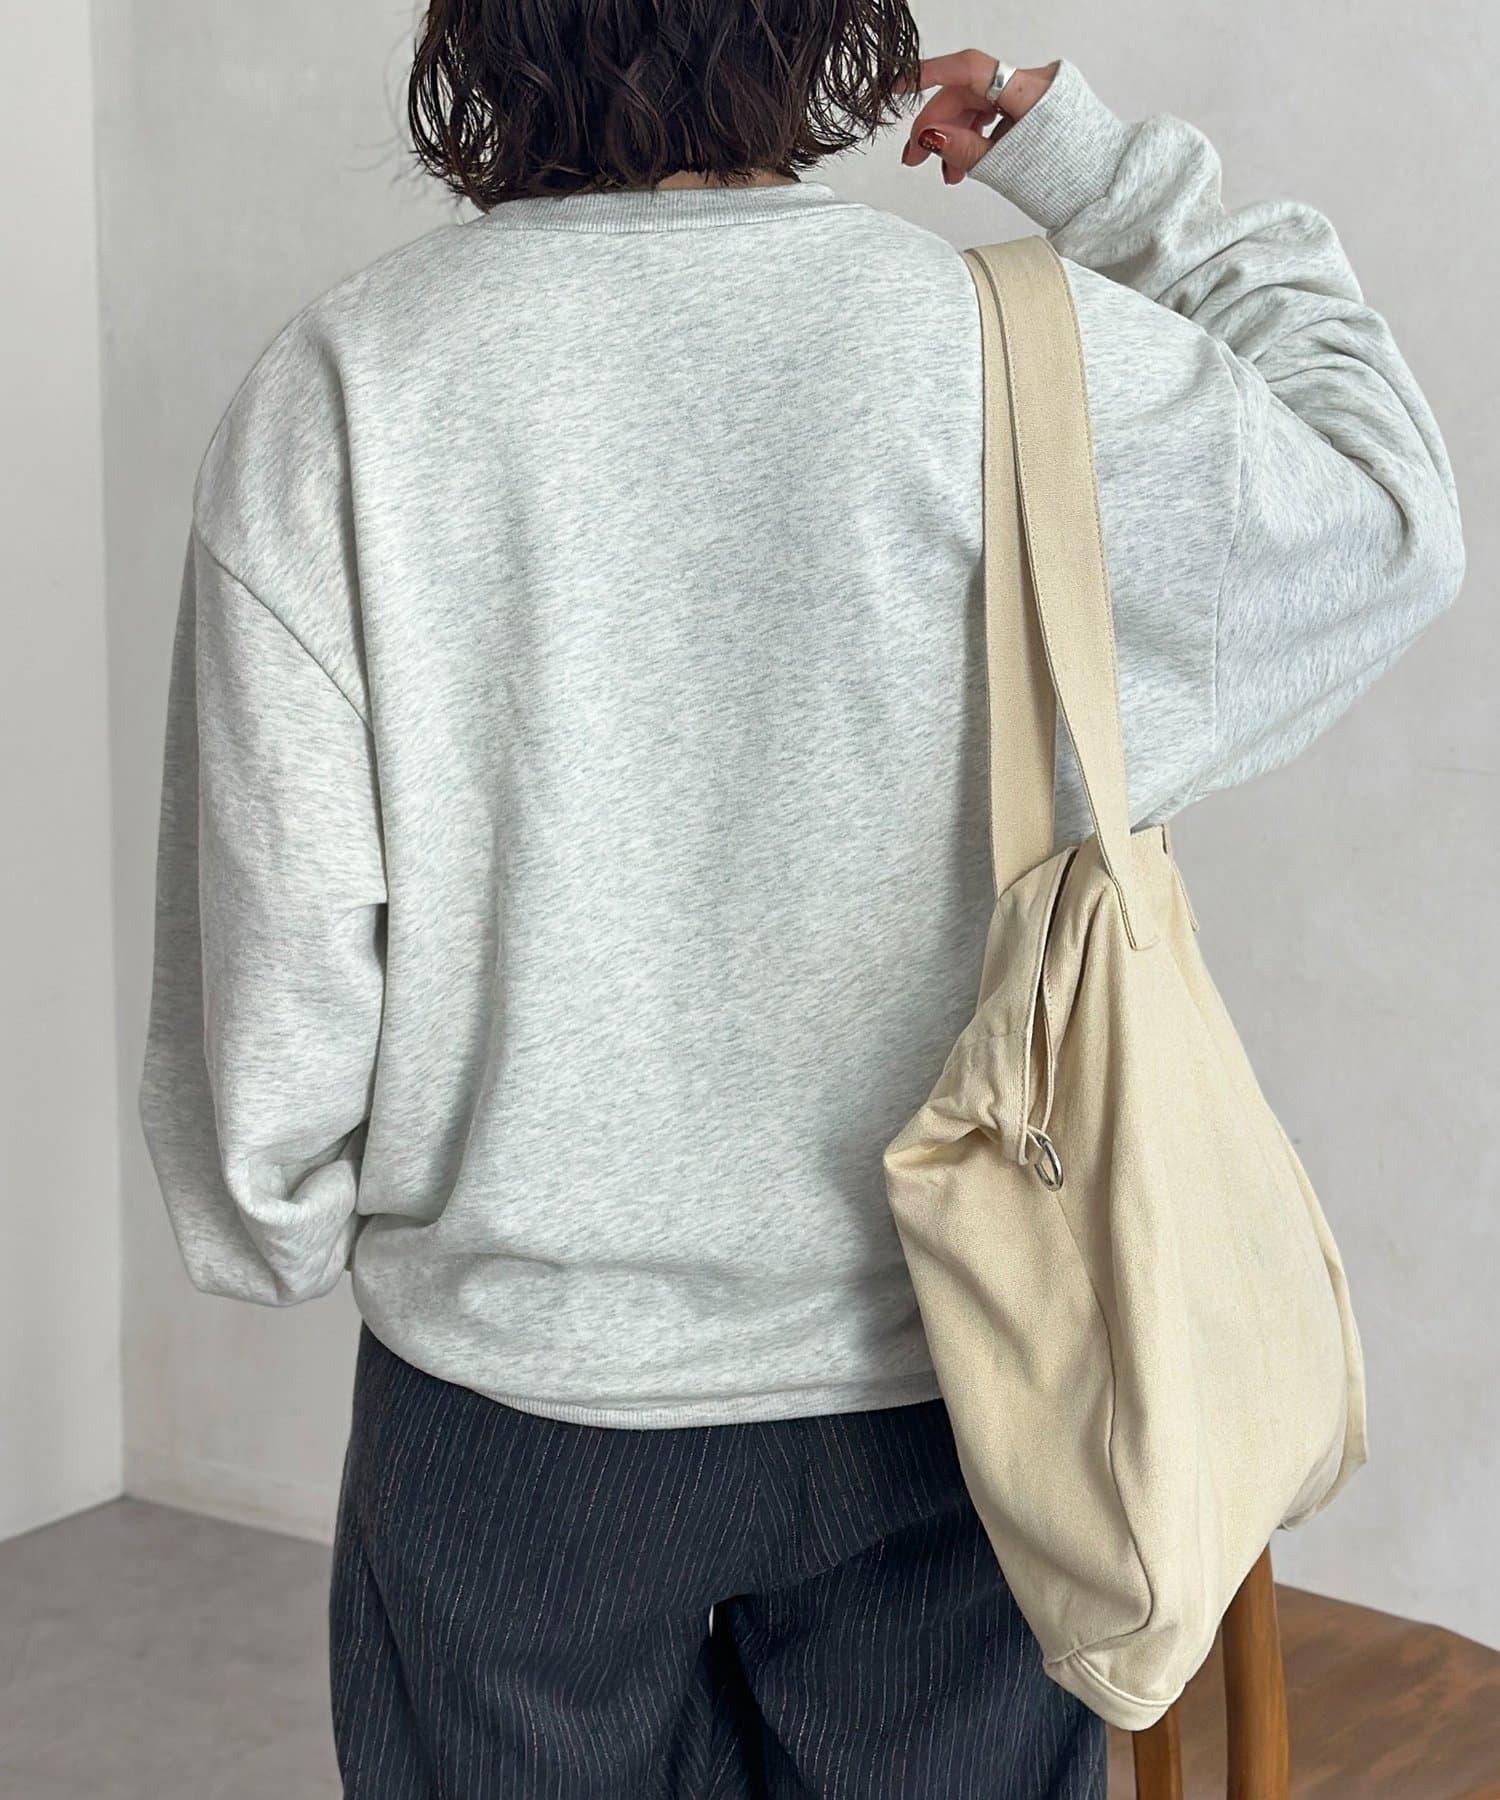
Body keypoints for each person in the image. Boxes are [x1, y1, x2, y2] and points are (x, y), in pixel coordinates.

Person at [137, 4, 1464, 1795]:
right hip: (963, 1366)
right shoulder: (1011, 354)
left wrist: (278, 1212)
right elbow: (1388, 510)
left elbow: (283, 910)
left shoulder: (351, 382)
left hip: (520, 1396)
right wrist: (1104, 178)